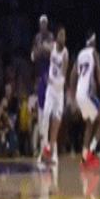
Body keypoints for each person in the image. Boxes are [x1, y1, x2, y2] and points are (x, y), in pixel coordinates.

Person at [70, 31, 100, 170]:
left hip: (79, 94)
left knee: (90, 124)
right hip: (88, 93)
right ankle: (91, 152)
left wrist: (72, 97)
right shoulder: (94, 53)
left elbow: (72, 75)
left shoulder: (80, 54)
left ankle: (84, 158)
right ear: (93, 41)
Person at [40, 26, 69, 165]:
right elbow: (43, 46)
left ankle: (53, 153)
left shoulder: (65, 53)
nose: (63, 37)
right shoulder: (52, 46)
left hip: (59, 90)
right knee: (45, 115)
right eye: (61, 35)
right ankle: (44, 149)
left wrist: (54, 81)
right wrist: (40, 45)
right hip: (50, 90)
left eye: (64, 35)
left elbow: (63, 75)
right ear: (57, 37)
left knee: (56, 125)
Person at [31, 15, 54, 159]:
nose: (43, 25)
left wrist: (44, 49)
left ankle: (50, 147)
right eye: (41, 23)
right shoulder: (37, 38)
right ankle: (42, 147)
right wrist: (40, 50)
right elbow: (33, 55)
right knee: (41, 114)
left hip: (50, 79)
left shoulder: (51, 37)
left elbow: (52, 52)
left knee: (51, 114)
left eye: (45, 23)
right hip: (41, 79)